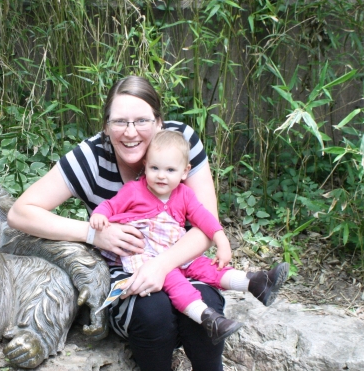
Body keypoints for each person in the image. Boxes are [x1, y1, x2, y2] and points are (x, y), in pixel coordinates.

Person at [8, 75, 285, 371]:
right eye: (119, 122)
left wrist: (163, 264)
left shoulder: (178, 144)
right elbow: (21, 212)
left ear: (159, 122)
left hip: (181, 260)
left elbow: (204, 224)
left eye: (141, 121)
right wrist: (93, 234)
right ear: (105, 126)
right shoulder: (91, 157)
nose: (130, 132)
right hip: (129, 269)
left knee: (208, 303)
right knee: (153, 311)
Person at [89, 130, 290, 345]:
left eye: (170, 170)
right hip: (146, 255)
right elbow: (111, 205)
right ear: (145, 166)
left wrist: (221, 239)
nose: (161, 175)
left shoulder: (184, 194)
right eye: (154, 168)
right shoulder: (134, 191)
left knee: (206, 266)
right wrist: (100, 215)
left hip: (176, 250)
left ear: (185, 172)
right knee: (175, 281)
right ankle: (207, 317)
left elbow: (204, 218)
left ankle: (256, 283)